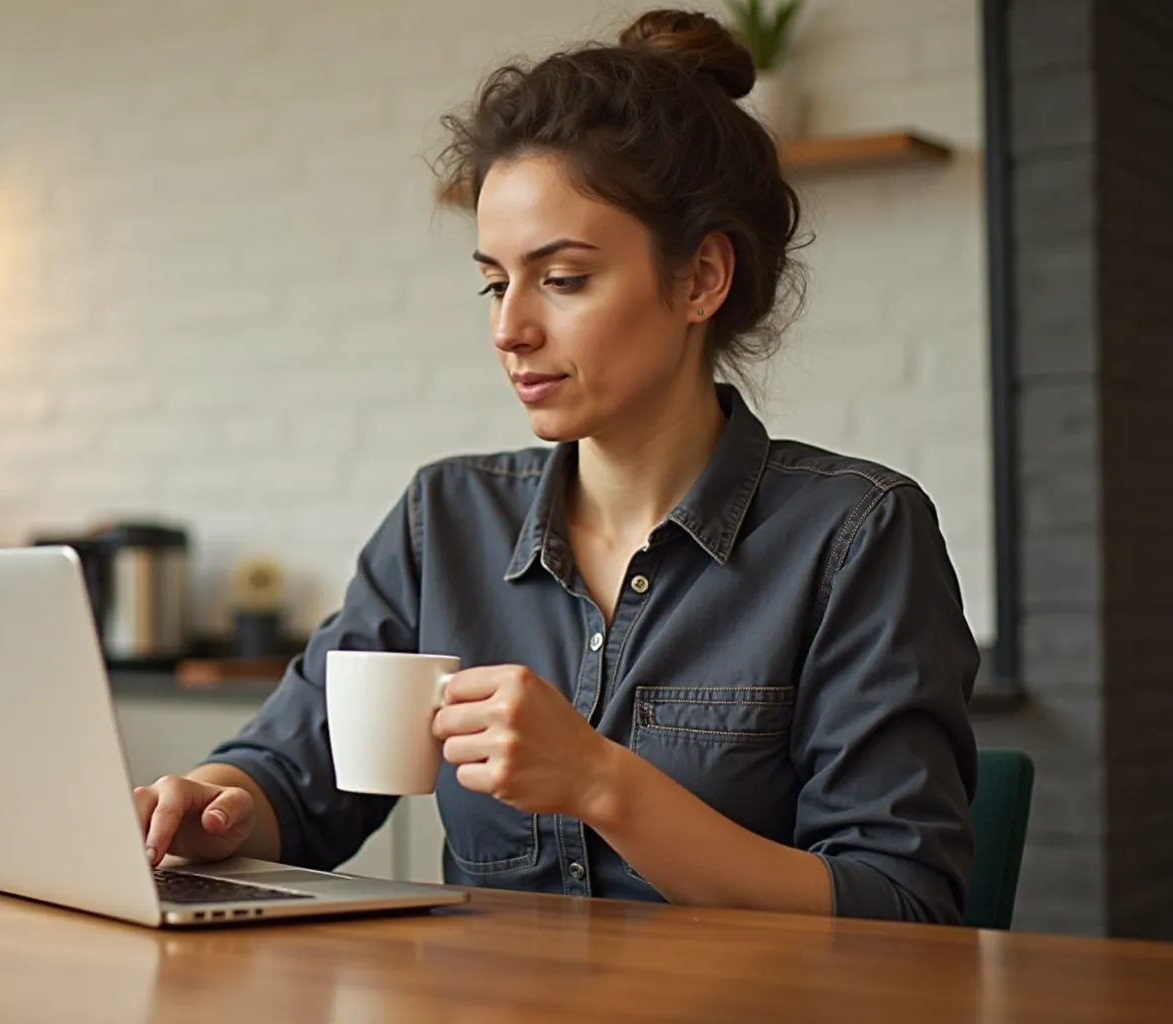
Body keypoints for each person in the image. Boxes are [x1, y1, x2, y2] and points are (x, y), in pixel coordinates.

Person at [134, 7, 979, 924]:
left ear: (701, 278)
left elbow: (903, 910)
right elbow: (296, 775)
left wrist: (601, 783)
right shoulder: (446, 517)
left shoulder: (855, 535)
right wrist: (212, 805)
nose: (510, 329)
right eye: (496, 282)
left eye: (563, 278)